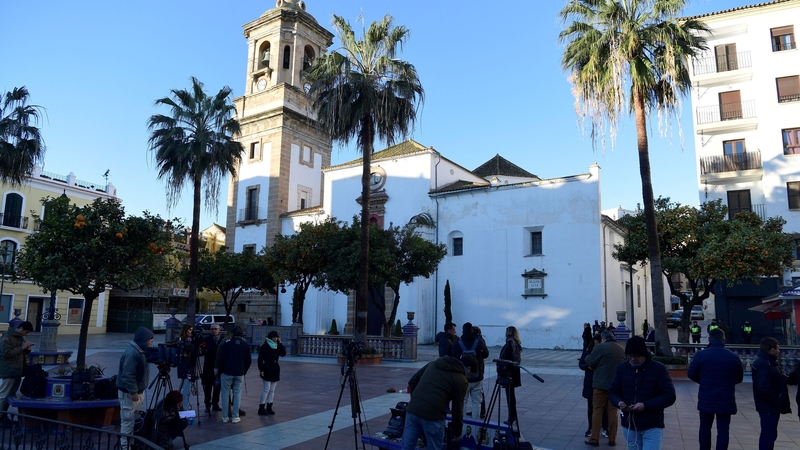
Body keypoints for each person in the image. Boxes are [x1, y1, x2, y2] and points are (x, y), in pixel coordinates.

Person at [609, 336, 676, 450]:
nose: (632, 359)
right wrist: (619, 402)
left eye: (636, 356)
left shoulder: (658, 369)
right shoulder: (622, 368)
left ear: (644, 355)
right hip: (629, 425)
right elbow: (613, 391)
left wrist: (646, 406)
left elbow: (669, 396)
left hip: (652, 425)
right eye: (630, 356)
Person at [400, 355, 476, 450]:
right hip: (433, 417)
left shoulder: (434, 363)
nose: (469, 377)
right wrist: (457, 433)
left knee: (407, 447)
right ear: (468, 369)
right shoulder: (461, 380)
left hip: (413, 411)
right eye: (471, 374)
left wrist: (415, 400)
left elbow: (413, 381)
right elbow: (457, 409)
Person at [688, 328, 744, 450]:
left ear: (709, 339)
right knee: (723, 430)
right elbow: (739, 378)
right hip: (726, 398)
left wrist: (703, 381)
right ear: (724, 339)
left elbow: (691, 374)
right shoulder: (733, 357)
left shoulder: (701, 355)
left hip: (706, 397)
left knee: (705, 427)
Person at [584, 330, 626, 446]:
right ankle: (612, 438)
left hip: (600, 385)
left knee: (597, 410)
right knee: (613, 412)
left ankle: (594, 438)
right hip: (615, 386)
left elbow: (589, 361)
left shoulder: (600, 347)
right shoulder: (621, 348)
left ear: (603, 339)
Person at [116, 326, 154, 450]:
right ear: (144, 339)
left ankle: (130, 444)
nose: (151, 341)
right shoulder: (133, 353)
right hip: (130, 393)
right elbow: (128, 375)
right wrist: (133, 391)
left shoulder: (140, 351)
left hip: (136, 391)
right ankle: (125, 446)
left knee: (133, 420)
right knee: (128, 421)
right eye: (150, 339)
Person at [751, 337, 791, 450]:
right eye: (777, 348)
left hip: (768, 406)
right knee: (768, 435)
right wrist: (777, 400)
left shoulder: (769, 362)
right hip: (768, 406)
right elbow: (764, 388)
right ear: (772, 350)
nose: (779, 351)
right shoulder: (765, 363)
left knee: (769, 434)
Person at [450, 322, 489, 420]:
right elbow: (486, 355)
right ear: (472, 330)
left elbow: (453, 358)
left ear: (462, 331)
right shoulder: (479, 342)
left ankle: (462, 423)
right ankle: (476, 424)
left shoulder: (458, 343)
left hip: (463, 377)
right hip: (477, 377)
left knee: (463, 401)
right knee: (476, 402)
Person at [215, 325, 251, 423]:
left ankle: (225, 417)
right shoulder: (245, 345)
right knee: (237, 394)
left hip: (227, 372)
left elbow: (221, 358)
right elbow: (248, 361)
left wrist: (220, 370)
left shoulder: (227, 343)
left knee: (225, 394)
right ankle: (235, 416)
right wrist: (244, 371)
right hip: (239, 373)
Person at [0, 321, 33, 421]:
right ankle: (0, 416)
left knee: (11, 395)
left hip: (17, 370)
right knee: (4, 394)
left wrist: (27, 350)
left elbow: (20, 353)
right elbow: (6, 353)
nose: (26, 334)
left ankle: (4, 416)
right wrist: (22, 347)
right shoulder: (7, 337)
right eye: (26, 332)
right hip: (9, 370)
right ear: (21, 329)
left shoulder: (19, 337)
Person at [579, 333, 608, 438]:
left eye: (600, 341)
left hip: (602, 382)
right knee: (591, 407)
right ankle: (591, 427)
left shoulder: (606, 351)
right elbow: (581, 364)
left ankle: (605, 427)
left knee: (604, 407)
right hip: (590, 383)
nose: (598, 343)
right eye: (597, 341)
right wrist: (588, 367)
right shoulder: (588, 351)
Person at [497, 326, 522, 424]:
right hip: (515, 372)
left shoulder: (509, 343)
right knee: (511, 396)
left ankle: (512, 416)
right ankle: (513, 416)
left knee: (510, 396)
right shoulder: (516, 343)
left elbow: (506, 359)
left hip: (509, 373)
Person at [257, 330, 286, 415]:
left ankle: (269, 406)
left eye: (276, 337)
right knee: (266, 389)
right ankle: (261, 407)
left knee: (272, 390)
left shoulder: (277, 346)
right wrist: (261, 369)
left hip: (275, 368)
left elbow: (283, 354)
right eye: (274, 337)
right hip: (267, 368)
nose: (275, 339)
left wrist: (280, 344)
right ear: (270, 338)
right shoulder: (265, 346)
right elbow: (260, 359)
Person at [199, 324, 222, 413]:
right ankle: (207, 405)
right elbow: (202, 351)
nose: (213, 330)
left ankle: (215, 404)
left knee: (217, 387)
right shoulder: (207, 339)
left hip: (218, 367)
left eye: (215, 329)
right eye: (212, 329)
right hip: (208, 367)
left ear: (219, 330)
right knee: (208, 387)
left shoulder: (222, 340)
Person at [176, 324, 198, 410]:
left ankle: (182, 405)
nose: (191, 332)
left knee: (186, 387)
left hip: (191, 365)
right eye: (189, 330)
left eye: (192, 330)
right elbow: (190, 348)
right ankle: (183, 407)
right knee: (185, 388)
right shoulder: (182, 341)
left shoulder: (192, 340)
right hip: (185, 366)